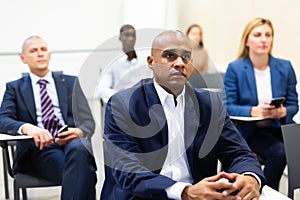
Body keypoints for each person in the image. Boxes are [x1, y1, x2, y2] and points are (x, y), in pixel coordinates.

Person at [100, 30, 265, 200]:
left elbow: (239, 153)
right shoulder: (123, 105)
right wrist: (185, 192)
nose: (179, 63)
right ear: (151, 62)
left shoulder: (209, 104)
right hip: (143, 195)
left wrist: (250, 177)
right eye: (169, 56)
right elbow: (128, 170)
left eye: (185, 56)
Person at [0, 36, 97, 199]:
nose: (40, 54)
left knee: (79, 147)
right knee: (85, 171)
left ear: (49, 55)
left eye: (43, 49)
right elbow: (2, 120)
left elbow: (88, 122)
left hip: (71, 144)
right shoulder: (14, 88)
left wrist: (79, 132)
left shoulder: (70, 83)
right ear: (23, 59)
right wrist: (28, 128)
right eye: (33, 51)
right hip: (39, 150)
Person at [223, 17, 298, 191]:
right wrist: (253, 111)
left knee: (294, 147)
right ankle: (267, 192)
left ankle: (290, 194)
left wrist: (282, 112)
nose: (263, 39)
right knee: (279, 152)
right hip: (251, 129)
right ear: (247, 40)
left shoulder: (285, 67)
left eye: (268, 35)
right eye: (257, 35)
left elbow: (294, 104)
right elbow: (228, 106)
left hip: (278, 125)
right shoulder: (235, 68)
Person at [96, 24, 152, 103]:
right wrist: (117, 92)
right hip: (121, 104)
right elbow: (100, 90)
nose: (130, 38)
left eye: (133, 35)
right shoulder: (112, 62)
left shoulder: (144, 60)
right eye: (126, 35)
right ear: (120, 38)